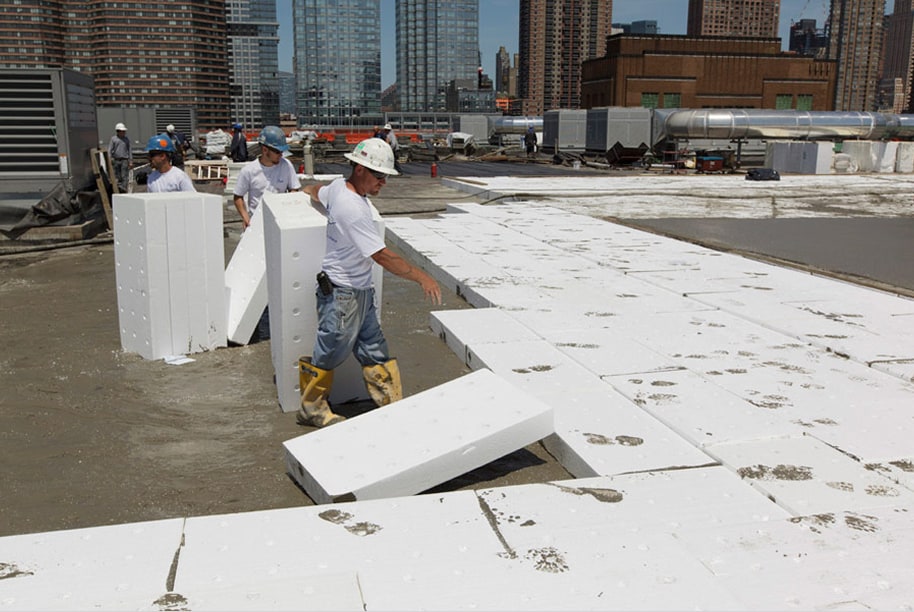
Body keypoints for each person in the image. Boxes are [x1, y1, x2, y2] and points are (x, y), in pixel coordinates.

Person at [297, 138, 441, 428]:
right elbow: (383, 257)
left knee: (374, 347)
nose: (383, 182)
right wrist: (421, 276)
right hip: (341, 295)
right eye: (379, 175)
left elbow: (316, 192)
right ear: (360, 170)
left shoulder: (338, 187)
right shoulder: (352, 209)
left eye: (385, 176)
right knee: (330, 348)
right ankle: (311, 410)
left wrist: (301, 190)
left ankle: (391, 404)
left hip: (360, 291)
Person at [233, 125, 301, 342]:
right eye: (277, 152)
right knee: (255, 287)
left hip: (280, 231)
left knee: (279, 283)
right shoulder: (249, 171)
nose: (280, 156)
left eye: (282, 152)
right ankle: (258, 333)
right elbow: (238, 197)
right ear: (264, 149)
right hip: (256, 234)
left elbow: (294, 192)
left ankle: (276, 331)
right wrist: (247, 220)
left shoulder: (286, 166)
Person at [108, 122, 132, 192]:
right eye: (122, 131)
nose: (123, 133)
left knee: (124, 176)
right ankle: (117, 189)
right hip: (116, 160)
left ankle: (124, 189)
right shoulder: (113, 139)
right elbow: (110, 149)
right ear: (118, 131)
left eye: (124, 131)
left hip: (124, 160)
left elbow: (129, 150)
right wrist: (109, 159)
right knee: (117, 176)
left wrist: (130, 161)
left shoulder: (126, 140)